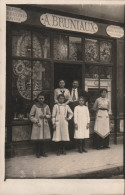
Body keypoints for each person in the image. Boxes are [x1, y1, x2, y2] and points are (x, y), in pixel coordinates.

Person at [29, 93, 51, 158]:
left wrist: (45, 115)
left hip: (44, 124)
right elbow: (31, 116)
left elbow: (49, 114)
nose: (41, 99)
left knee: (43, 139)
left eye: (42, 98)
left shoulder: (46, 106)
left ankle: (43, 152)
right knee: (38, 139)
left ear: (44, 99)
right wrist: (36, 121)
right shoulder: (35, 106)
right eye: (40, 98)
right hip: (38, 124)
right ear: (37, 99)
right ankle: (37, 152)